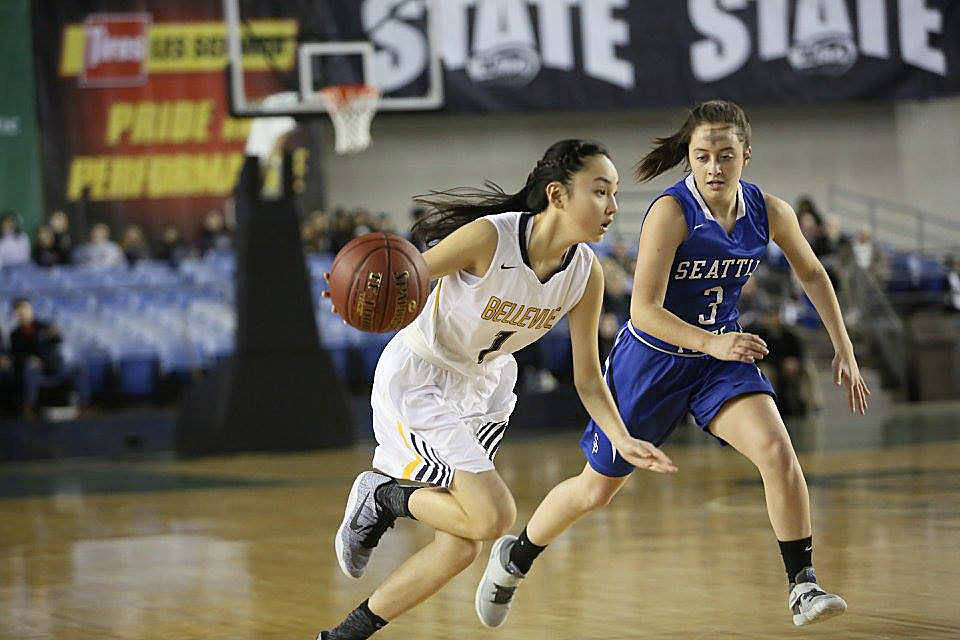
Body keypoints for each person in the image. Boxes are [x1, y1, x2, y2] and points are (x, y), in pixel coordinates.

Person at [476, 100, 871, 629]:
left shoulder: (770, 211)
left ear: (746, 155)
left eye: (725, 155)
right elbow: (643, 309)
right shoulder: (672, 212)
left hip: (718, 360)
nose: (713, 167)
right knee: (595, 490)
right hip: (651, 362)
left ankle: (803, 584)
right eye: (702, 156)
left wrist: (843, 347)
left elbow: (814, 274)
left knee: (777, 452)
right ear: (689, 157)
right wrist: (712, 343)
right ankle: (516, 557)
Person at [317, 139, 676, 640]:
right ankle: (382, 496)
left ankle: (341, 636)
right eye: (600, 191)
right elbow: (405, 277)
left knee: (461, 546)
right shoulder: (490, 238)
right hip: (422, 379)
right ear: (557, 195)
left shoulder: (585, 274)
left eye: (614, 193)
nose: (613, 206)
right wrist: (353, 292)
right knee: (496, 516)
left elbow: (588, 378)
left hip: (485, 391)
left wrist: (621, 438)